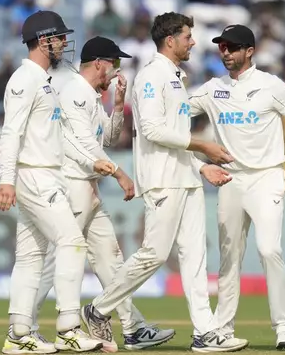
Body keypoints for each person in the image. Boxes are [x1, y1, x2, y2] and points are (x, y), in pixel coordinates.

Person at [80, 12, 249, 353]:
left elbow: (176, 134)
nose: (193, 42)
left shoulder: (174, 76)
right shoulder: (151, 76)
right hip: (161, 179)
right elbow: (155, 131)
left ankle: (205, 331)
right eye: (188, 36)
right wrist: (201, 146)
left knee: (194, 256)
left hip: (185, 178)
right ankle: (98, 309)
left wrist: (200, 167)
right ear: (170, 40)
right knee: (154, 254)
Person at [189, 24, 285, 349]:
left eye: (232, 47)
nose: (226, 53)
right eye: (222, 47)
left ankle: (284, 327)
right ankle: (223, 328)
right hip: (231, 179)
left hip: (267, 177)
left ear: (250, 51)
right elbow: (172, 120)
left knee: (269, 249)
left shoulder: (271, 86)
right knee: (229, 257)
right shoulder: (212, 89)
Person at [30, 36, 175, 352]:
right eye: (115, 63)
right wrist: (119, 172)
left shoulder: (92, 97)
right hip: (72, 184)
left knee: (111, 259)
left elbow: (107, 138)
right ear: (99, 63)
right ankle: (24, 328)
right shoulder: (74, 93)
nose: (117, 71)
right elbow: (85, 146)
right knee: (59, 259)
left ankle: (133, 328)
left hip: (89, 186)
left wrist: (119, 104)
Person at [0, 10, 115, 354]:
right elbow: (10, 133)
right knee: (73, 243)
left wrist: (91, 159)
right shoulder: (24, 79)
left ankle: (19, 335)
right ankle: (68, 328)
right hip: (36, 175)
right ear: (44, 39)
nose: (64, 42)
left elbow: (57, 135)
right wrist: (7, 181)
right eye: (60, 37)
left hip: (46, 173)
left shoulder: (43, 80)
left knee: (31, 257)